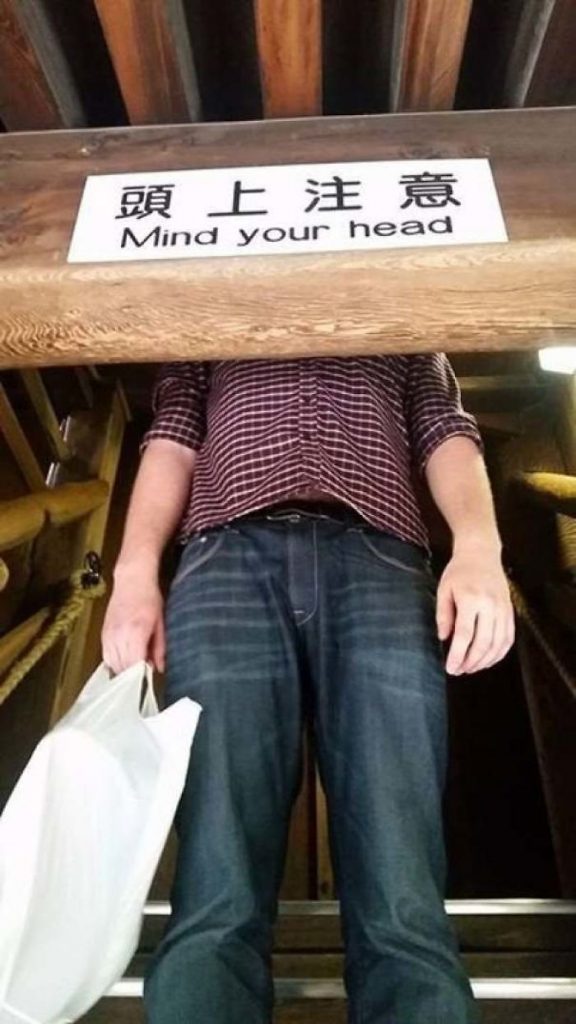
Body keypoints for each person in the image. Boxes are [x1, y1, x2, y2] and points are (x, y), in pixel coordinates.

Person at [102, 354, 514, 1024]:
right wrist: (133, 574)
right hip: (224, 555)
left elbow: (445, 427)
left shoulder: (402, 322)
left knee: (400, 886)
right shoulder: (210, 319)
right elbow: (172, 433)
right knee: (216, 875)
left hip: (380, 555)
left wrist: (478, 548)